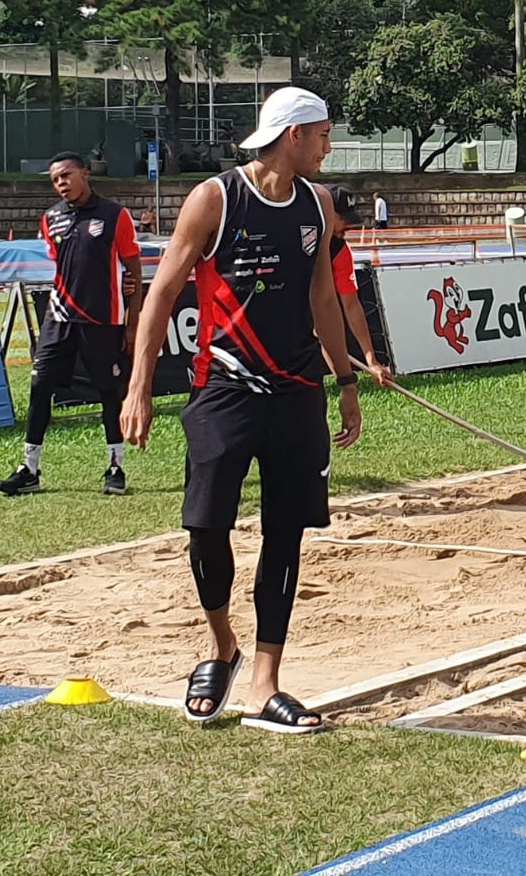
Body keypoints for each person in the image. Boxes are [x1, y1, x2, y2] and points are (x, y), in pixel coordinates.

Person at [120, 86, 362, 734]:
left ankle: (265, 683)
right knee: (205, 526)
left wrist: (344, 381)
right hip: (224, 388)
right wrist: (139, 384)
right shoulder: (215, 199)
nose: (328, 148)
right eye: (322, 135)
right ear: (292, 136)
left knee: (286, 534)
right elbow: (162, 292)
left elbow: (322, 302)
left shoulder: (315, 205)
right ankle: (221, 644)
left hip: (295, 391)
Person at [0, 152, 143, 498]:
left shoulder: (115, 216)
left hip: (102, 320)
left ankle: (115, 467)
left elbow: (133, 270)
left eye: (66, 176)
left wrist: (132, 322)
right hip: (59, 318)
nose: (61, 184)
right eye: (55, 180)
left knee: (109, 393)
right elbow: (62, 265)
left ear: (84, 174)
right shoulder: (51, 219)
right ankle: (29, 469)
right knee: (39, 387)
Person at [323, 183, 390, 387]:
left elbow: (351, 305)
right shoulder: (290, 239)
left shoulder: (340, 252)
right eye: (342, 218)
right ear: (325, 212)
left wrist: (371, 359)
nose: (348, 226)